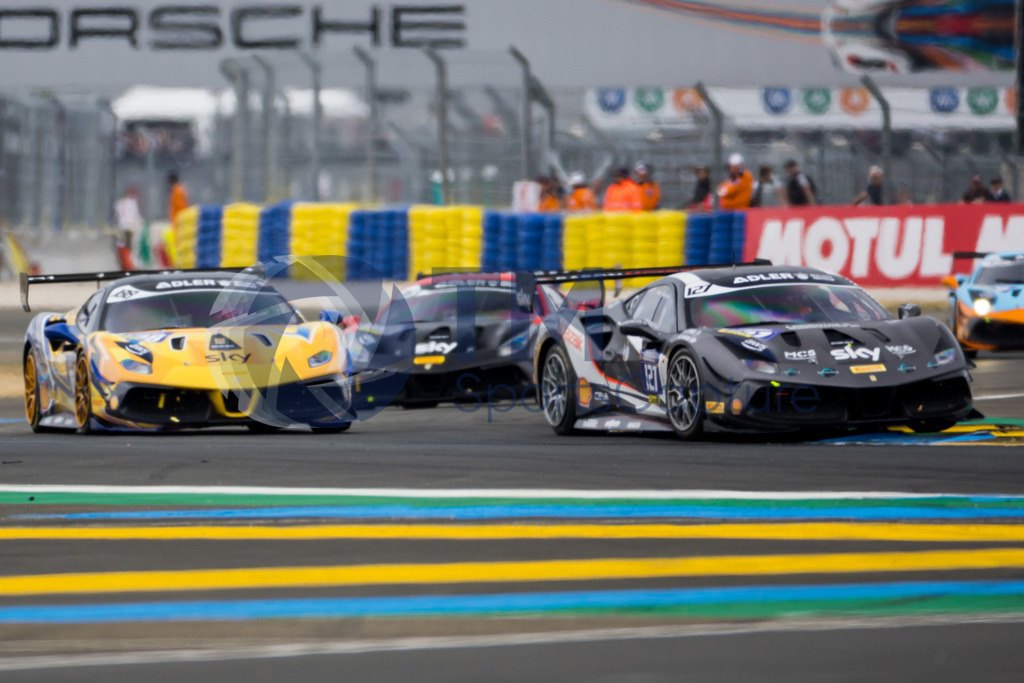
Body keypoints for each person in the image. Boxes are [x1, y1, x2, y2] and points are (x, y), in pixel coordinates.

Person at [114, 185, 143, 250]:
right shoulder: (131, 203)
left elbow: (117, 213)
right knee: (129, 240)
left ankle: (126, 249)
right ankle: (128, 250)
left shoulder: (120, 202)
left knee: (126, 240)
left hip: (124, 224)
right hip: (129, 225)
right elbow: (135, 215)